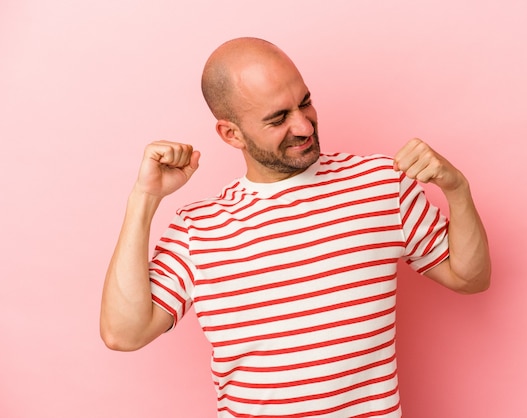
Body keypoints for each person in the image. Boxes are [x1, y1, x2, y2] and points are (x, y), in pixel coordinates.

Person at [100, 37, 490, 417]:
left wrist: (457, 188)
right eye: (278, 118)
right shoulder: (198, 229)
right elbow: (124, 334)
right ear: (231, 133)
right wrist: (144, 198)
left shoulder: (381, 183)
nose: (304, 126)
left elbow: (469, 277)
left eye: (305, 102)